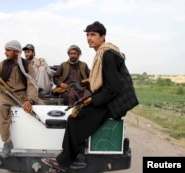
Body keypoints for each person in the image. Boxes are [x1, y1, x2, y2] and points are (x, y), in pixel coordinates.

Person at [41, 21, 139, 172]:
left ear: (103, 37)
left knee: (74, 120)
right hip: (110, 98)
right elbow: (106, 85)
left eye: (93, 34)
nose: (89, 38)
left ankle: (64, 161)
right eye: (87, 35)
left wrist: (93, 99)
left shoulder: (107, 55)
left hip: (115, 102)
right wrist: (90, 99)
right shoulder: (104, 53)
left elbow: (113, 88)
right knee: (78, 117)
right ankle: (71, 155)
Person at [0, 40, 41, 158]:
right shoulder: (2, 64)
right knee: (0, 106)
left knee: (41, 107)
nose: (5, 52)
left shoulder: (27, 65)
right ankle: (7, 141)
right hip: (6, 95)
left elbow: (32, 84)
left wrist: (30, 100)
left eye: (8, 50)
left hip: (23, 95)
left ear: (16, 52)